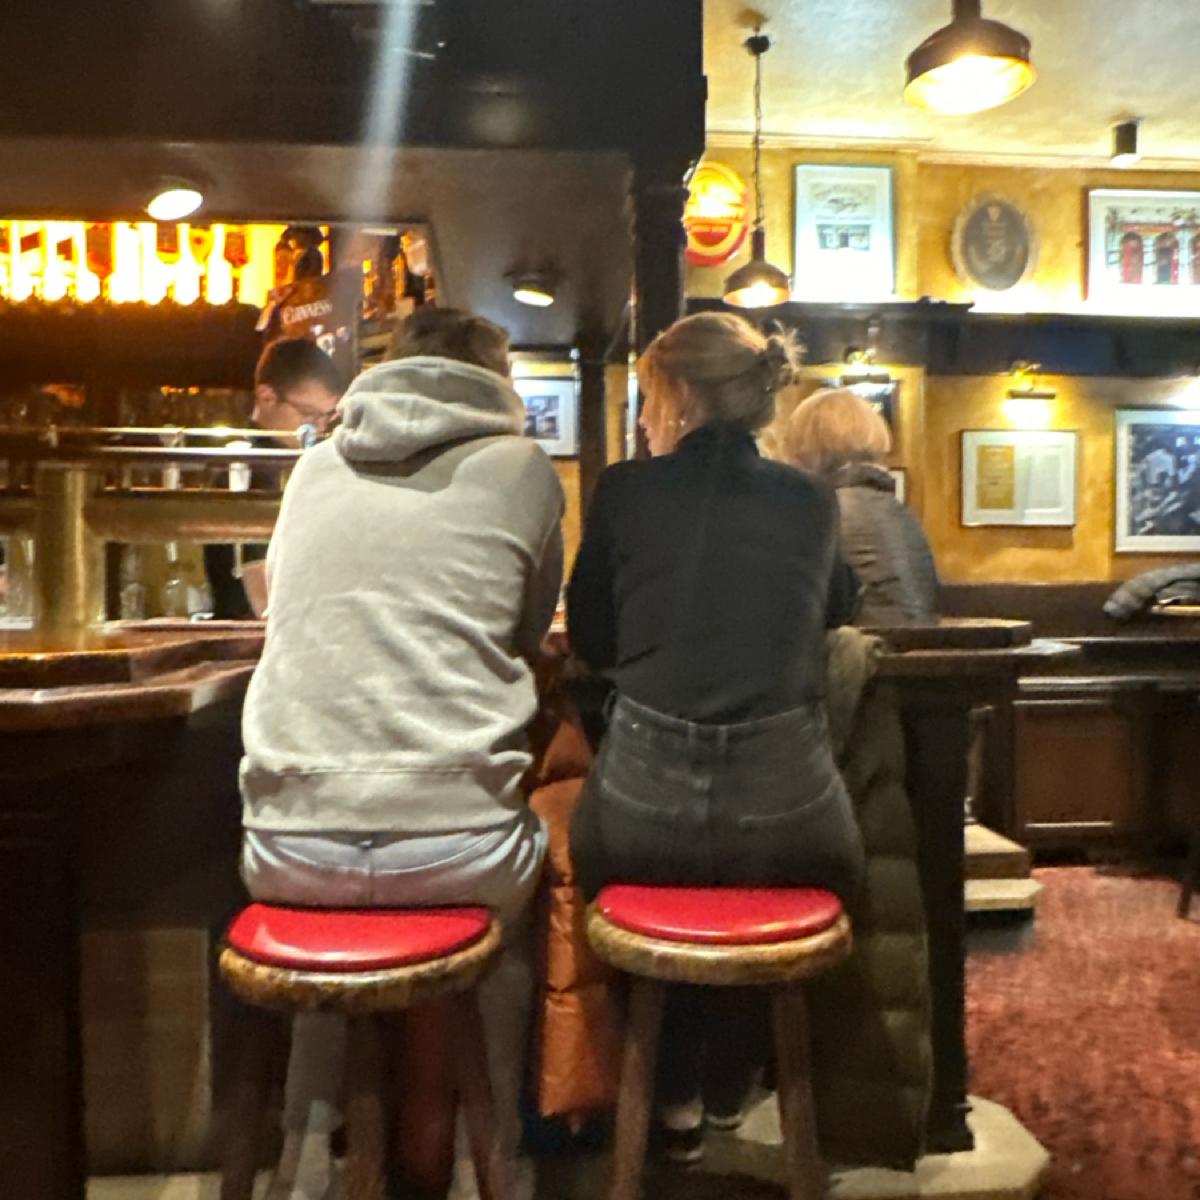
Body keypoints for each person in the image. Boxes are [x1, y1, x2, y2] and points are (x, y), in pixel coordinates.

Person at [239, 307, 564, 1198]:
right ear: (499, 382)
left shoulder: (313, 468)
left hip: (287, 849)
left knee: (347, 933)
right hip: (459, 851)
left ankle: (323, 1158)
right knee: (510, 918)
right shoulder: (524, 469)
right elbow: (527, 630)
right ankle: (464, 1165)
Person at [566, 311, 865, 1164]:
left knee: (621, 866)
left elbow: (593, 636)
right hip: (788, 809)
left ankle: (671, 1092)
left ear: (683, 397)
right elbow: (838, 608)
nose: (645, 418)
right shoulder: (810, 500)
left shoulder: (625, 492)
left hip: (642, 806)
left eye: (650, 397)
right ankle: (736, 1077)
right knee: (800, 872)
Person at [204, 337, 344, 618]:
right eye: (309, 414)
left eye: (327, 416)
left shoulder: (297, 462)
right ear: (267, 397)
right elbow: (263, 596)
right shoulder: (247, 464)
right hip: (252, 636)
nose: (319, 428)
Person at [776, 387, 939, 626]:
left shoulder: (825, 510)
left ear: (804, 447)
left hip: (867, 644)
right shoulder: (897, 510)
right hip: (918, 644)